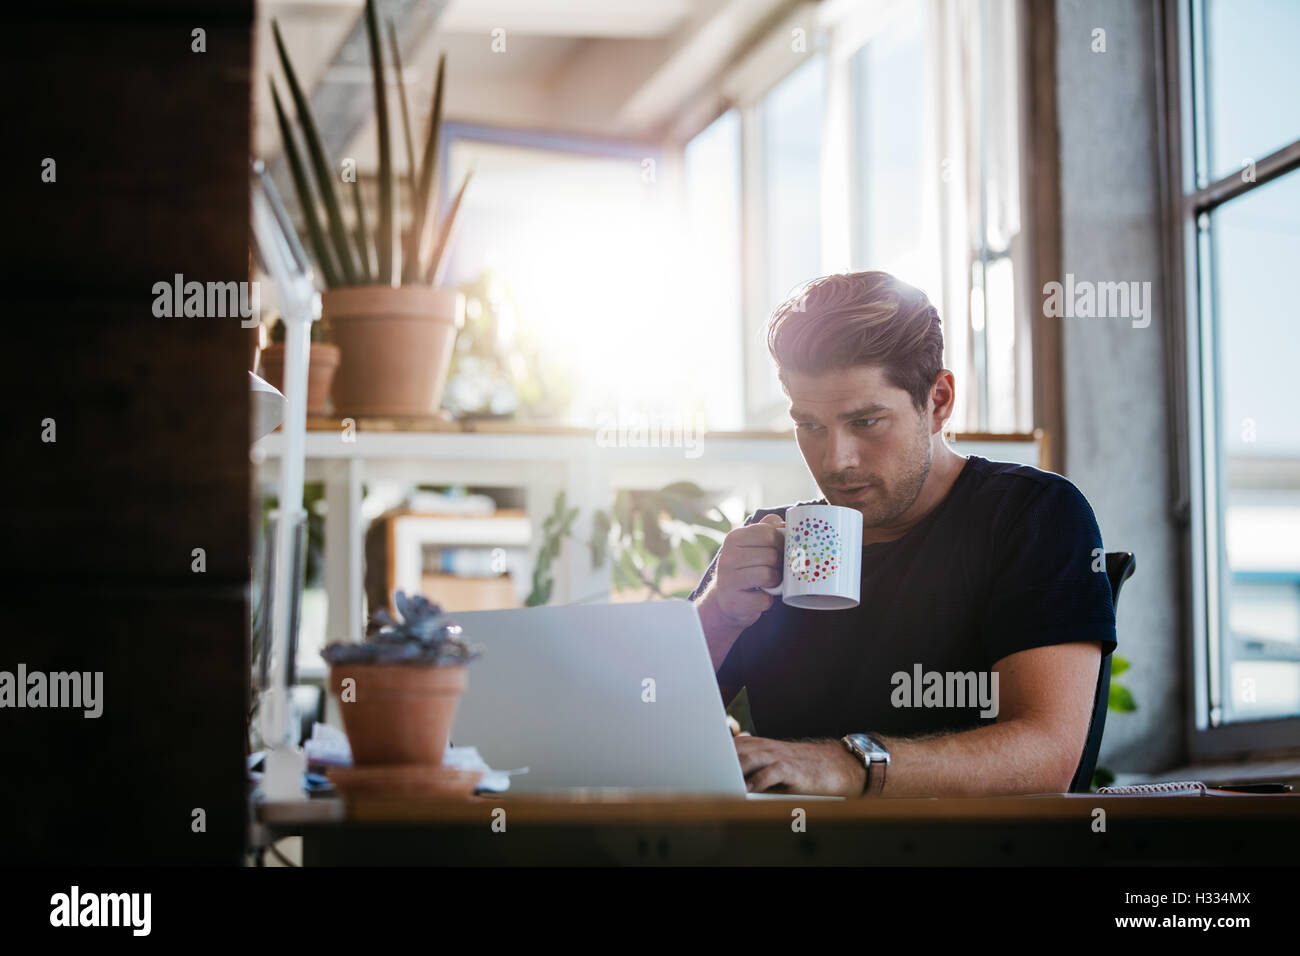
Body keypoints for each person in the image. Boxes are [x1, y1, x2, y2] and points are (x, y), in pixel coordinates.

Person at [690, 271, 1116, 797]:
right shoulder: (771, 542)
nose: (836, 460)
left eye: (866, 422)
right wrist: (717, 616)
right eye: (811, 426)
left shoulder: (1031, 515)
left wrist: (846, 767)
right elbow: (648, 731)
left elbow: (1047, 757)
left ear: (937, 401)